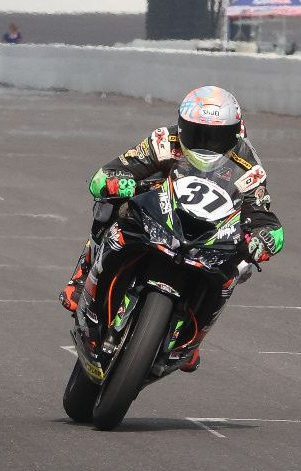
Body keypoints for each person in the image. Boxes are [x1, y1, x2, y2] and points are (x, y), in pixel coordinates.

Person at [59, 86, 284, 372]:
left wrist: (265, 236)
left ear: (236, 132)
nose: (205, 143)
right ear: (182, 124)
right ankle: (83, 273)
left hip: (208, 234)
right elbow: (110, 172)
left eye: (216, 136)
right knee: (109, 206)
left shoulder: (249, 165)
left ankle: (194, 338)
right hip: (156, 213)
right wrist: (117, 180)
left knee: (240, 267)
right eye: (197, 133)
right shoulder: (164, 140)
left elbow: (261, 212)